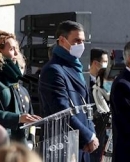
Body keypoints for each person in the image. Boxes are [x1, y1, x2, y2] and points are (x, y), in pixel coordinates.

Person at [38, 20, 97, 162]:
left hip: (81, 146)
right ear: (63, 40)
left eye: (83, 41)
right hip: (63, 147)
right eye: (76, 40)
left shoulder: (75, 67)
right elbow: (60, 110)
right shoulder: (53, 70)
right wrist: (87, 136)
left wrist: (91, 134)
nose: (81, 45)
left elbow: (85, 107)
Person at [0, 31, 39, 143]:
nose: (16, 54)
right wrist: (18, 118)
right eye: (11, 49)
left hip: (18, 142)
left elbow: (26, 110)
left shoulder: (13, 77)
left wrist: (31, 138)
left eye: (16, 49)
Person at [88, 47, 109, 162]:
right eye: (105, 62)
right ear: (95, 63)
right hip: (91, 134)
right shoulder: (85, 83)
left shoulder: (106, 83)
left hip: (105, 134)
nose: (107, 66)